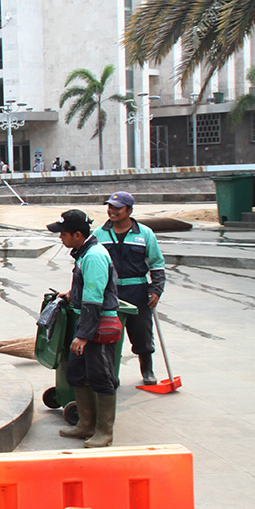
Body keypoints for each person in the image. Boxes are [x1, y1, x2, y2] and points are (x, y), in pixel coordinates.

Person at [47, 209, 120, 448]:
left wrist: (83, 335)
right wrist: (70, 295)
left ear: (78, 235)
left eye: (63, 234)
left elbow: (94, 298)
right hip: (85, 320)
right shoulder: (84, 253)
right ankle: (86, 424)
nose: (61, 238)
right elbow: (85, 289)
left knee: (101, 377)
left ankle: (104, 431)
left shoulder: (95, 256)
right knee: (77, 375)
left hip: (97, 324)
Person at [92, 191, 165, 385]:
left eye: (117, 208)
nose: (112, 211)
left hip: (137, 289)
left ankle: (147, 369)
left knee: (142, 331)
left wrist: (156, 289)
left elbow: (157, 263)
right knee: (108, 331)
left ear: (129, 210)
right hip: (110, 290)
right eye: (110, 207)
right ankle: (109, 373)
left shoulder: (145, 233)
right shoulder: (99, 233)